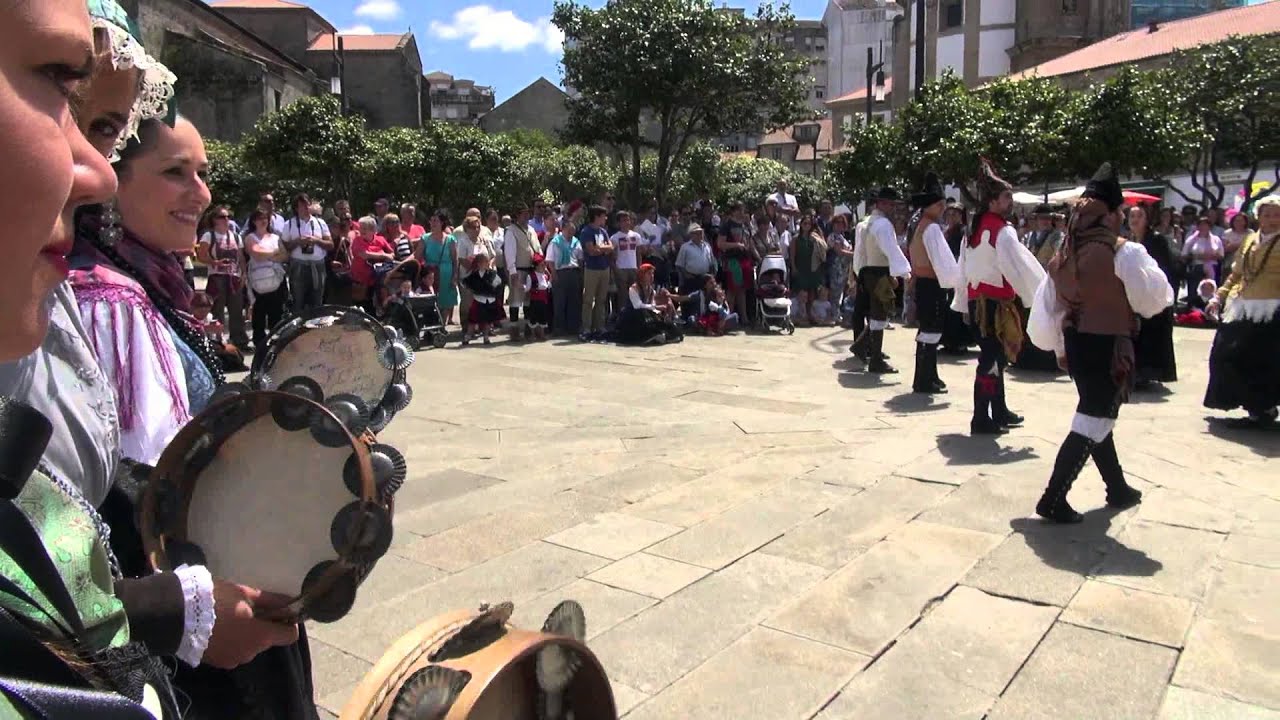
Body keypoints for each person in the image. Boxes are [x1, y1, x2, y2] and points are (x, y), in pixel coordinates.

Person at [1028, 163, 1171, 523]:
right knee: (1093, 417)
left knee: (1098, 413)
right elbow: (1154, 300)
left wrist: (1059, 347)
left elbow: (1050, 310)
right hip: (1109, 347)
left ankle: (1117, 486)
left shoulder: (1064, 254)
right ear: (1111, 214)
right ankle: (1053, 498)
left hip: (1078, 346)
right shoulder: (1123, 252)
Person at [951, 158, 1045, 435]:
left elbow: (962, 270)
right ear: (993, 201)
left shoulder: (973, 230)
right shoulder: (1003, 232)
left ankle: (999, 411)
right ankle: (981, 417)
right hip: (993, 306)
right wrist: (1037, 295)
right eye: (1007, 197)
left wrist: (961, 302)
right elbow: (1018, 267)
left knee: (996, 358)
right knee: (991, 360)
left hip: (978, 302)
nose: (1010, 202)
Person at [1203, 194, 1280, 425]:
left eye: (1277, 215)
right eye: (1267, 215)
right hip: (1242, 305)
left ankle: (1263, 407)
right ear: (1258, 217)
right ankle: (1252, 405)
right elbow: (1236, 274)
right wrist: (1218, 297)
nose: (1273, 219)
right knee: (1224, 355)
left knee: (1263, 362)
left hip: (1272, 309)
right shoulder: (1249, 240)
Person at [908, 173, 963, 394]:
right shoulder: (931, 229)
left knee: (928, 331)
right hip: (932, 284)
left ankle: (929, 375)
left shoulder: (920, 226)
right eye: (939, 204)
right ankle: (924, 379)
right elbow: (943, 261)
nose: (942, 207)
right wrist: (954, 281)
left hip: (925, 283)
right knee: (931, 331)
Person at [850, 188, 912, 373]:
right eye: (890, 204)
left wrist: (858, 272)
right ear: (881, 204)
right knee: (879, 314)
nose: (893, 207)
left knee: (878, 313)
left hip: (867, 272)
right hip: (878, 273)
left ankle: (865, 347)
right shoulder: (883, 224)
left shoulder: (866, 223)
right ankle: (875, 358)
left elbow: (859, 252)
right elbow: (891, 250)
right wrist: (905, 272)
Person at [1128, 204, 1179, 387]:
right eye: (1132, 216)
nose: (1135, 219)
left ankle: (1149, 373)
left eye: (1139, 216)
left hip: (1154, 293)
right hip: (1136, 294)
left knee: (1153, 334)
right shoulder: (1129, 240)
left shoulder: (1156, 240)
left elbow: (1163, 268)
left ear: (1147, 219)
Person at [196, 205, 249, 350]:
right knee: (217, 310)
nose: (226, 220)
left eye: (227, 217)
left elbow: (241, 257)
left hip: (234, 277)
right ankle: (217, 342)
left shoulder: (235, 236)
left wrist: (244, 274)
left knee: (237, 310)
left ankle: (239, 341)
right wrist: (214, 262)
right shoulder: (209, 236)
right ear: (214, 220)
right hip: (217, 277)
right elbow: (201, 256)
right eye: (222, 217)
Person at [245, 208, 289, 353]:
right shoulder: (250, 237)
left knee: (276, 312)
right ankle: (260, 343)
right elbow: (256, 253)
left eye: (265, 218)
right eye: (259, 218)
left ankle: (276, 342)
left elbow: (284, 256)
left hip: (276, 279)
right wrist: (274, 254)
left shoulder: (275, 237)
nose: (263, 221)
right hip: (259, 281)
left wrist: (268, 255)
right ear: (253, 221)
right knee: (259, 312)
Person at [281, 193, 332, 314]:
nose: (305, 208)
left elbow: (330, 245)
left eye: (307, 205)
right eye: (302, 206)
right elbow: (285, 247)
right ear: (296, 208)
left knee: (317, 300)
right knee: (298, 301)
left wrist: (316, 241)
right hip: (298, 266)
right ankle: (299, 329)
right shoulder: (289, 224)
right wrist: (298, 242)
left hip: (317, 265)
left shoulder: (320, 223)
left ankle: (316, 329)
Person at [617, 264, 683, 346]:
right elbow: (637, 305)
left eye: (652, 274)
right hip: (632, 317)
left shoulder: (651, 290)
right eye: (649, 274)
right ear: (642, 275)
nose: (651, 276)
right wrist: (656, 307)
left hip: (645, 314)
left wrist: (662, 313)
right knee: (642, 314)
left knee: (667, 325)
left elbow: (652, 306)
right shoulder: (634, 288)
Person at [504, 205, 540, 342]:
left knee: (528, 301)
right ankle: (513, 329)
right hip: (518, 269)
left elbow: (536, 248)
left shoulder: (531, 230)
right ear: (517, 216)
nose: (526, 216)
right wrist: (512, 271)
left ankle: (527, 328)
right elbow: (510, 252)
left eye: (527, 213)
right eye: (523, 214)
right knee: (515, 300)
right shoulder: (511, 231)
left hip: (531, 269)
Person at [579, 206, 614, 342]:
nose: (605, 219)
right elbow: (591, 250)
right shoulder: (586, 232)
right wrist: (600, 249)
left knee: (601, 299)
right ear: (597, 216)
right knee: (588, 300)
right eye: (603, 216)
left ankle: (599, 326)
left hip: (604, 268)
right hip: (592, 269)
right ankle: (586, 328)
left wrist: (601, 248)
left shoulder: (603, 232)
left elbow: (611, 247)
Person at [717, 203, 755, 326]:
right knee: (732, 290)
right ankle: (728, 317)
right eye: (738, 210)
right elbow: (720, 244)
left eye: (742, 210)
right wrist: (736, 245)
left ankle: (744, 318)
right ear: (733, 211)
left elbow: (749, 242)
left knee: (742, 290)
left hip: (745, 259)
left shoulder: (745, 225)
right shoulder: (726, 225)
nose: (741, 212)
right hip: (732, 260)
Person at [351, 215, 395, 314]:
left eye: (364, 228)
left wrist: (387, 255)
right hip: (361, 280)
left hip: (376, 278)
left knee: (374, 307)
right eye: (360, 227)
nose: (361, 230)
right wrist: (383, 255)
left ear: (373, 230)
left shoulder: (380, 239)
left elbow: (392, 254)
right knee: (361, 307)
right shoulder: (357, 241)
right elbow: (364, 255)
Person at [421, 210, 459, 326]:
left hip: (446, 275)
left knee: (446, 303)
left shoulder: (450, 240)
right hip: (431, 275)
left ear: (442, 223)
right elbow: (417, 255)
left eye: (436, 220)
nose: (433, 223)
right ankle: (432, 327)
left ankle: (442, 327)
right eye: (431, 220)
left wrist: (454, 277)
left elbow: (455, 260)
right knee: (431, 302)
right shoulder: (425, 238)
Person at [789, 213, 828, 325]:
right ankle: (802, 314)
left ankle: (810, 313)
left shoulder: (814, 237)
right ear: (801, 225)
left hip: (813, 268)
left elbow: (823, 248)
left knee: (811, 292)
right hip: (801, 267)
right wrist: (794, 268)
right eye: (804, 223)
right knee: (802, 292)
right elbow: (792, 255)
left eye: (809, 224)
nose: (807, 225)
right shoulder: (796, 238)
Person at [547, 220, 582, 336]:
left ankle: (572, 327)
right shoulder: (555, 242)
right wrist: (554, 273)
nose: (572, 232)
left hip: (573, 271)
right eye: (570, 230)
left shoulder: (576, 242)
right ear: (564, 229)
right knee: (559, 302)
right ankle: (559, 328)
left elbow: (580, 257)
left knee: (574, 301)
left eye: (573, 230)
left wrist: (580, 273)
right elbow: (550, 260)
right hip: (560, 272)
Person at [462, 253, 504, 345]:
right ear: (478, 263)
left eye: (486, 261)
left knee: (487, 321)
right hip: (478, 300)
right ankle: (468, 337)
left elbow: (499, 282)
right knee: (472, 320)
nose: (485, 263)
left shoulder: (492, 274)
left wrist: (494, 289)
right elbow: (465, 282)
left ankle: (486, 337)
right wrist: (471, 289)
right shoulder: (474, 275)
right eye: (483, 262)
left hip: (489, 300)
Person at [1181, 217, 1223, 307]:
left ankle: (1211, 310)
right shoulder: (1191, 240)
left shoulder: (1216, 239)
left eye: (1206, 225)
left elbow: (1221, 255)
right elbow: (1184, 255)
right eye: (1201, 225)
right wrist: (1196, 256)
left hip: (1211, 267)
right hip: (1196, 267)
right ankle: (1193, 311)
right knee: (1194, 291)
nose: (1203, 227)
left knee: (1210, 291)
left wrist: (1211, 256)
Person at [524, 254, 552, 341]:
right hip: (534, 301)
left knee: (543, 317)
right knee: (533, 317)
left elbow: (547, 286)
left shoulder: (545, 276)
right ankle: (532, 334)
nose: (544, 267)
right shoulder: (531, 276)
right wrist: (522, 287)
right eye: (542, 265)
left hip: (543, 301)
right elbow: (528, 288)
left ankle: (542, 334)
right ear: (536, 266)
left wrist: (550, 280)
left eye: (544, 265)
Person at [1025, 203, 1062, 268]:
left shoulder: (1057, 236)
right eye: (1042, 218)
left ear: (1052, 220)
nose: (1045, 221)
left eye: (1048, 218)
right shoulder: (1029, 235)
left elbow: (1058, 257)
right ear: (1036, 219)